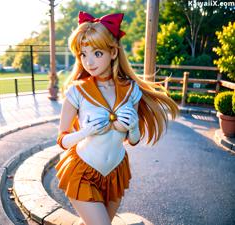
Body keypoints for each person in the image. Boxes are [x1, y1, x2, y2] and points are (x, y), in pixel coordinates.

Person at [54, 11, 179, 225]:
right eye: (83, 54)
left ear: (113, 53)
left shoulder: (131, 90)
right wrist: (85, 132)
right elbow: (62, 140)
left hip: (115, 173)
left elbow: (133, 140)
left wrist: (133, 128)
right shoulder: (76, 92)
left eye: (97, 53)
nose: (89, 62)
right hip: (82, 172)